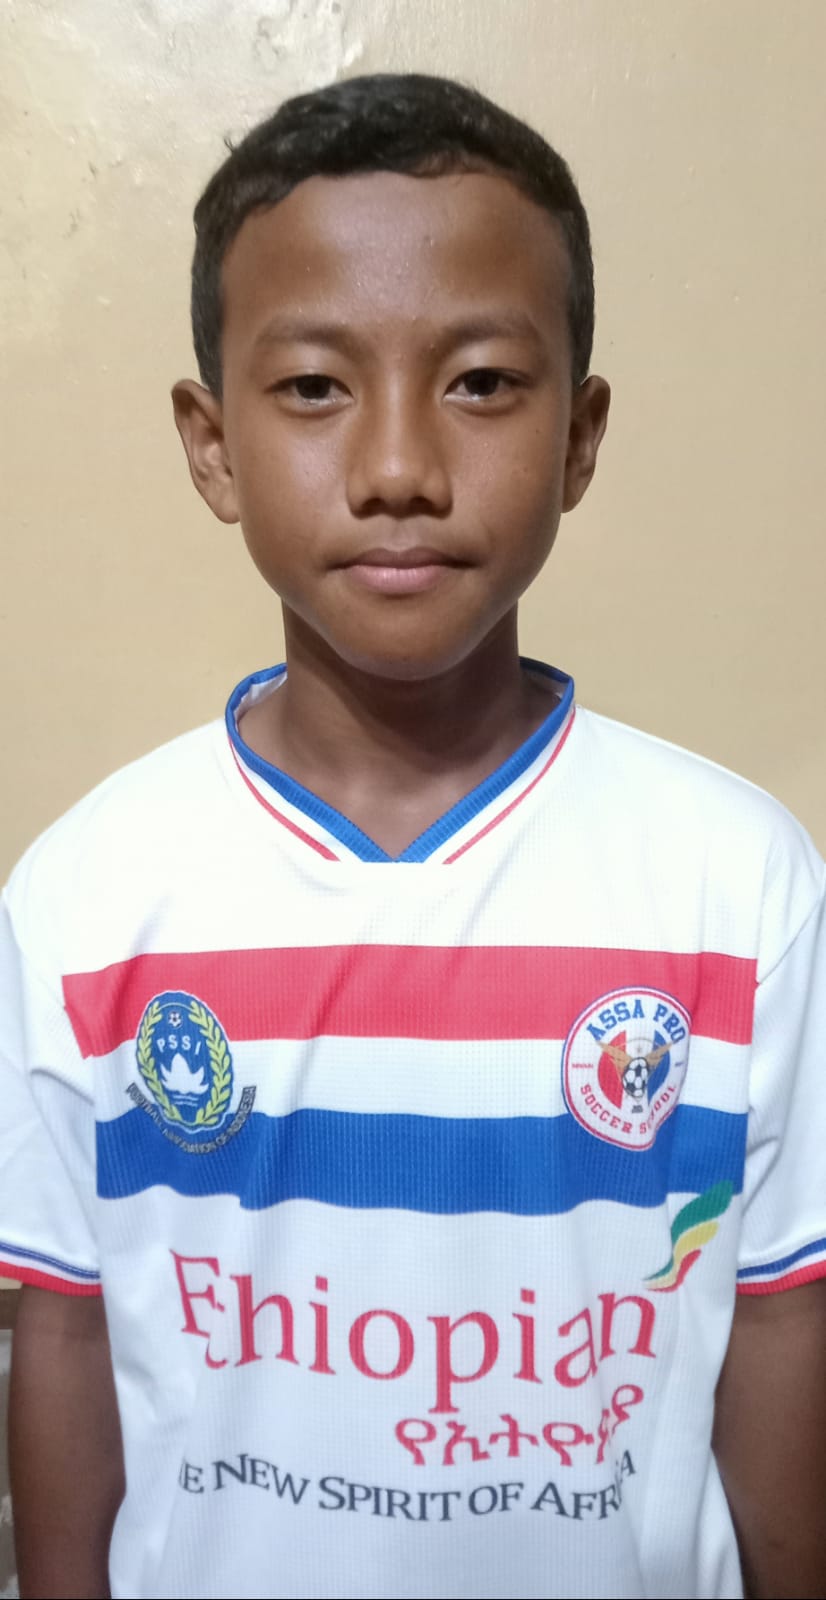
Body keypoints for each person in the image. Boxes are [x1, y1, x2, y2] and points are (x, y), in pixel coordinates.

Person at [2, 71, 825, 1600]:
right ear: (211, 444)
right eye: (316, 387)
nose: (397, 469)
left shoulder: (736, 881)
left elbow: (779, 1312)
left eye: (482, 382)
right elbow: (61, 1320)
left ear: (579, 437)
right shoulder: (91, 896)